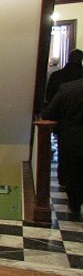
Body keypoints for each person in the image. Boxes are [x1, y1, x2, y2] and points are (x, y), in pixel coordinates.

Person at [42, 77, 83, 219]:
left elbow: (48, 113)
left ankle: (75, 205)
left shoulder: (67, 88)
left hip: (72, 136)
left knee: (73, 171)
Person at [45, 49, 83, 187]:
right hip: (74, 124)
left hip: (65, 125)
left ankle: (65, 180)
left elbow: (49, 99)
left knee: (65, 156)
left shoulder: (58, 77)